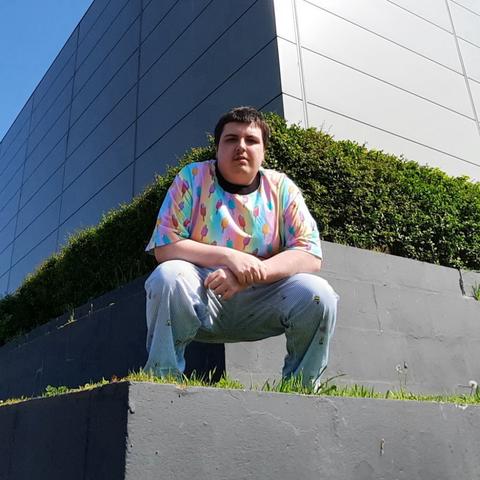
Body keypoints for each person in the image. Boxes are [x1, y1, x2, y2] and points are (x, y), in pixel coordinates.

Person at [144, 106, 338, 389]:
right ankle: (162, 380)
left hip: (264, 297)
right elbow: (165, 245)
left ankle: (303, 388)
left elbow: (309, 253)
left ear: (264, 151)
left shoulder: (282, 188)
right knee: (168, 276)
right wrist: (229, 257)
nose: (241, 147)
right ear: (217, 148)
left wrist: (250, 274)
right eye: (231, 139)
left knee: (319, 294)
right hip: (203, 293)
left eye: (251, 140)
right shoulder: (192, 178)